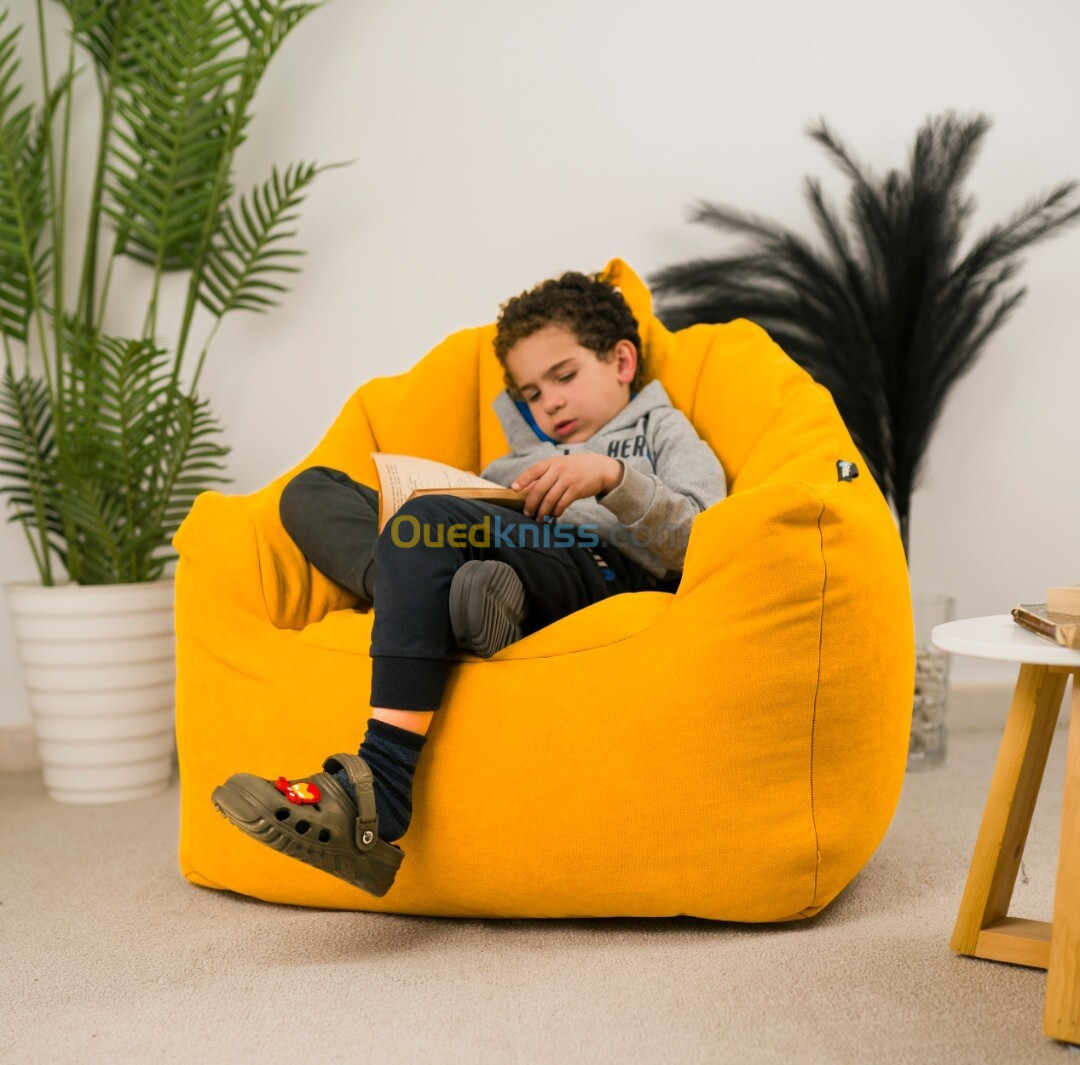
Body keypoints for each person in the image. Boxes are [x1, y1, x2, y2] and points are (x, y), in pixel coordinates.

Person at [211, 270, 727, 897]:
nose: (551, 403)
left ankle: (383, 779)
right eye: (533, 394)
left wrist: (613, 477)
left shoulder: (660, 432)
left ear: (621, 360)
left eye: (564, 377)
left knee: (425, 527)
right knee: (312, 489)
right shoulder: (513, 461)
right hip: (503, 552)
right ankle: (439, 595)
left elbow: (703, 533)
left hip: (600, 566)